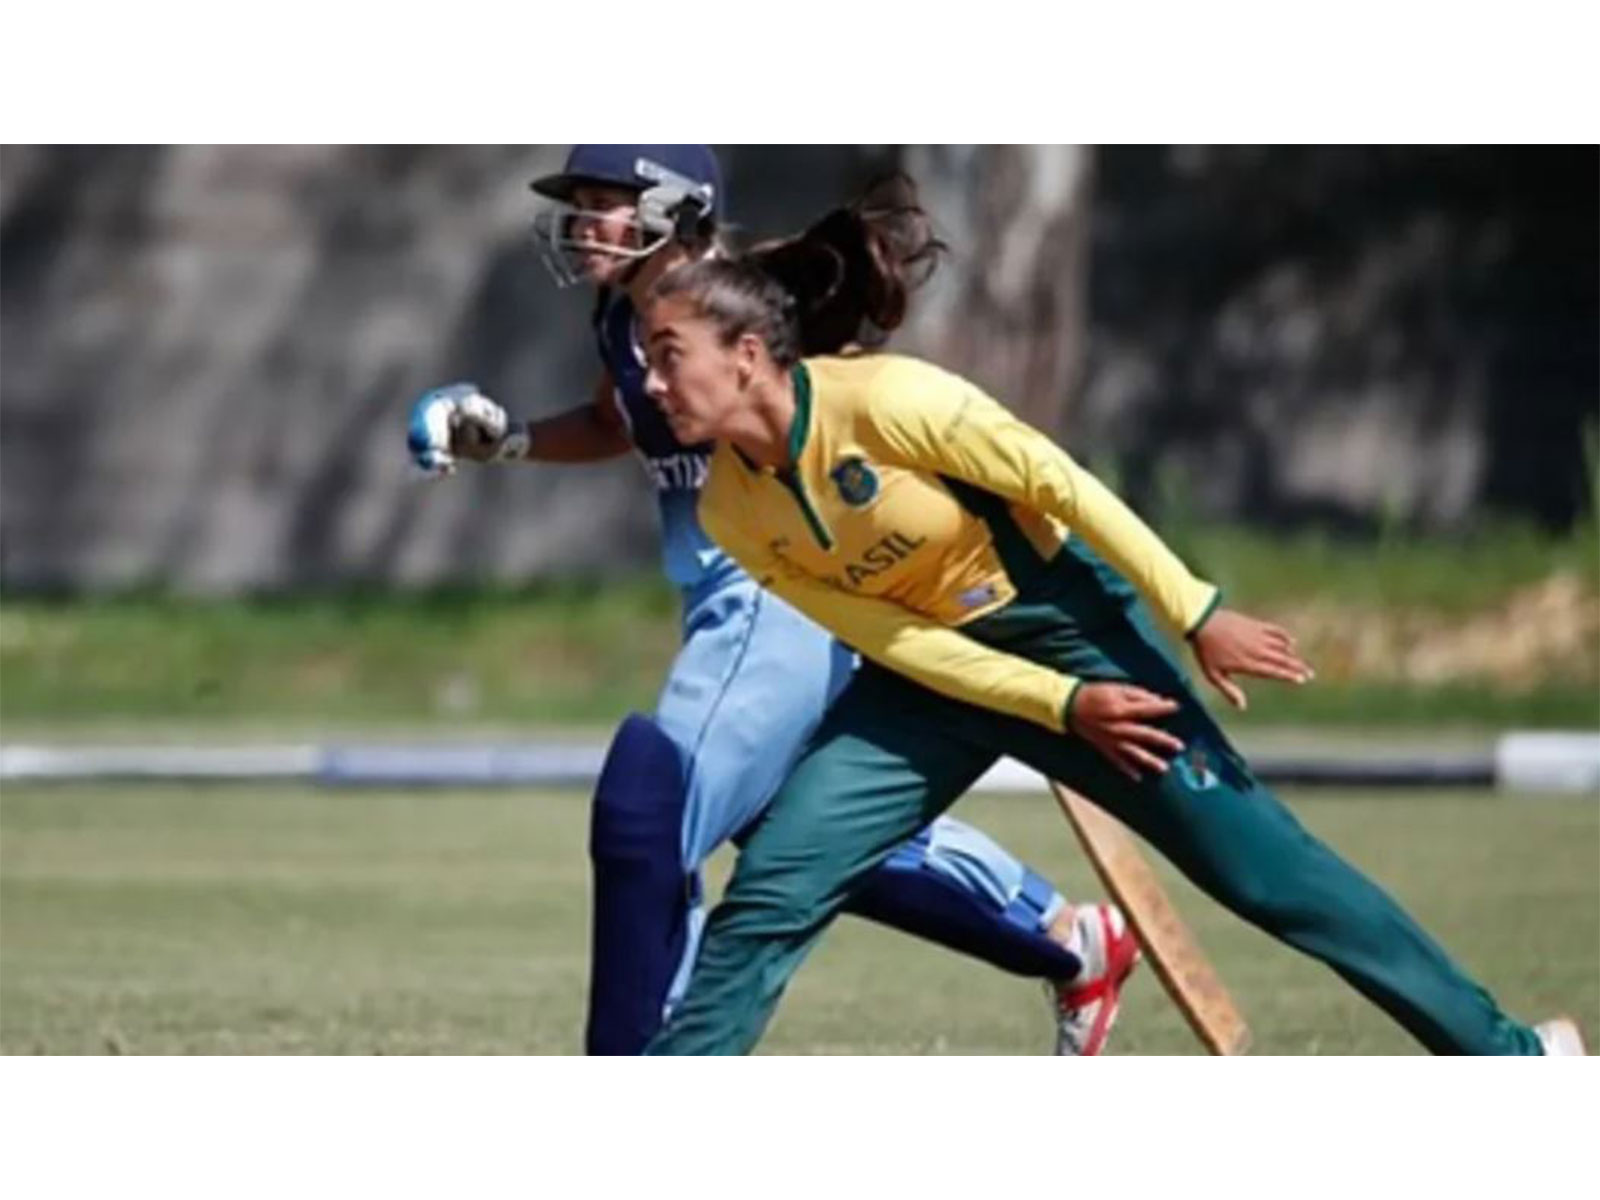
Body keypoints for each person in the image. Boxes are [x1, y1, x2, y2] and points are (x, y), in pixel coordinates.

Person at [630, 248, 1588, 1056]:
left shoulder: (890, 401)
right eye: (646, 360)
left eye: (669, 356)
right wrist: (1053, 708)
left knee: (1273, 879)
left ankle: (1512, 1060)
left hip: (1070, 630)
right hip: (929, 681)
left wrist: (1194, 609)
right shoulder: (729, 509)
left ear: (748, 354)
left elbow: (1066, 488)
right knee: (776, 884)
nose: (651, 382)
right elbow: (896, 637)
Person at [406, 145, 1138, 1055]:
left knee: (652, 815)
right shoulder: (622, 316)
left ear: (676, 208)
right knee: (799, 831)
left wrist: (969, 579)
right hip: (731, 602)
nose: (585, 222)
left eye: (607, 202)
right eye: (579, 204)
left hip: (770, 592)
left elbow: (868, 435)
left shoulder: (746, 313)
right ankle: (1070, 941)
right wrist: (506, 441)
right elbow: (612, 422)